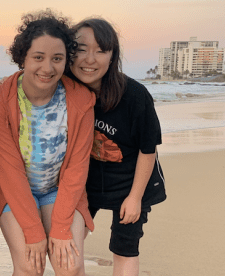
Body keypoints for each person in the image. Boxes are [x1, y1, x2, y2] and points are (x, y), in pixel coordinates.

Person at [0, 10, 95, 276]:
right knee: (29, 266)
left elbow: (77, 169)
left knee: (70, 266)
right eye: (38, 57)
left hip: (59, 189)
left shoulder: (81, 101)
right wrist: (34, 232)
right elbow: (9, 172)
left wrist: (59, 229)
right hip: (13, 191)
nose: (47, 68)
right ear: (22, 57)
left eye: (57, 59)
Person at [66, 18, 166, 276]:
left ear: (112, 56)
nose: (90, 59)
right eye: (81, 49)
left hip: (130, 183)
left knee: (124, 249)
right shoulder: (62, 91)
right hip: (85, 184)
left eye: (101, 50)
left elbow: (148, 150)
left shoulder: (133, 95)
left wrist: (134, 198)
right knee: (68, 246)